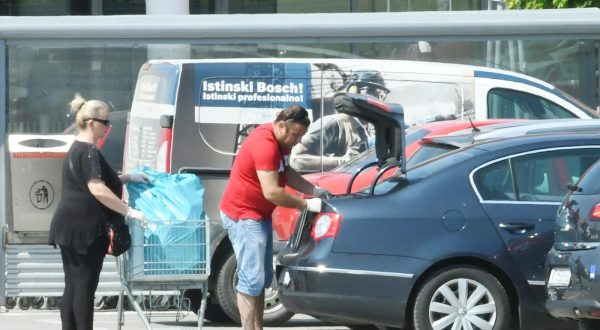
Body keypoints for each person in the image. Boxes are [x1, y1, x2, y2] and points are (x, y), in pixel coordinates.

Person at [220, 104, 328, 330]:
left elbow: (286, 172)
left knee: (260, 280)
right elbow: (272, 192)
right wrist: (306, 204)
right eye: (296, 135)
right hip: (244, 216)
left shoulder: (281, 143)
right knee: (251, 280)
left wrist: (313, 190)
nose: (298, 141)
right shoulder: (265, 145)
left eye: (301, 136)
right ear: (281, 126)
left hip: (259, 215)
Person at [48, 94, 149, 330]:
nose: (109, 128)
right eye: (106, 123)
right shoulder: (90, 151)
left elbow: (94, 182)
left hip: (67, 225)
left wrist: (128, 177)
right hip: (85, 229)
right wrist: (129, 211)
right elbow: (97, 188)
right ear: (92, 123)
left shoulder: (77, 148)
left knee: (73, 285)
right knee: (85, 286)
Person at [291, 70, 390, 171]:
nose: (380, 101)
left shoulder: (375, 129)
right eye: (376, 95)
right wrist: (342, 162)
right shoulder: (333, 124)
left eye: (382, 96)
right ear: (355, 93)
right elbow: (296, 160)